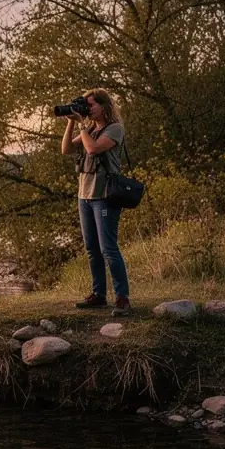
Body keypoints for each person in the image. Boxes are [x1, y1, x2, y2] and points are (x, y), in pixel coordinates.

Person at [60, 87, 131, 317]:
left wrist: (81, 124)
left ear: (104, 106)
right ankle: (99, 295)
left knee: (108, 249)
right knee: (92, 249)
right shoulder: (91, 129)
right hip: (85, 196)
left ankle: (122, 299)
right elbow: (66, 149)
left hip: (104, 196)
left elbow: (91, 150)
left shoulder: (115, 129)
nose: (88, 109)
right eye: (86, 105)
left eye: (91, 105)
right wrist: (71, 121)